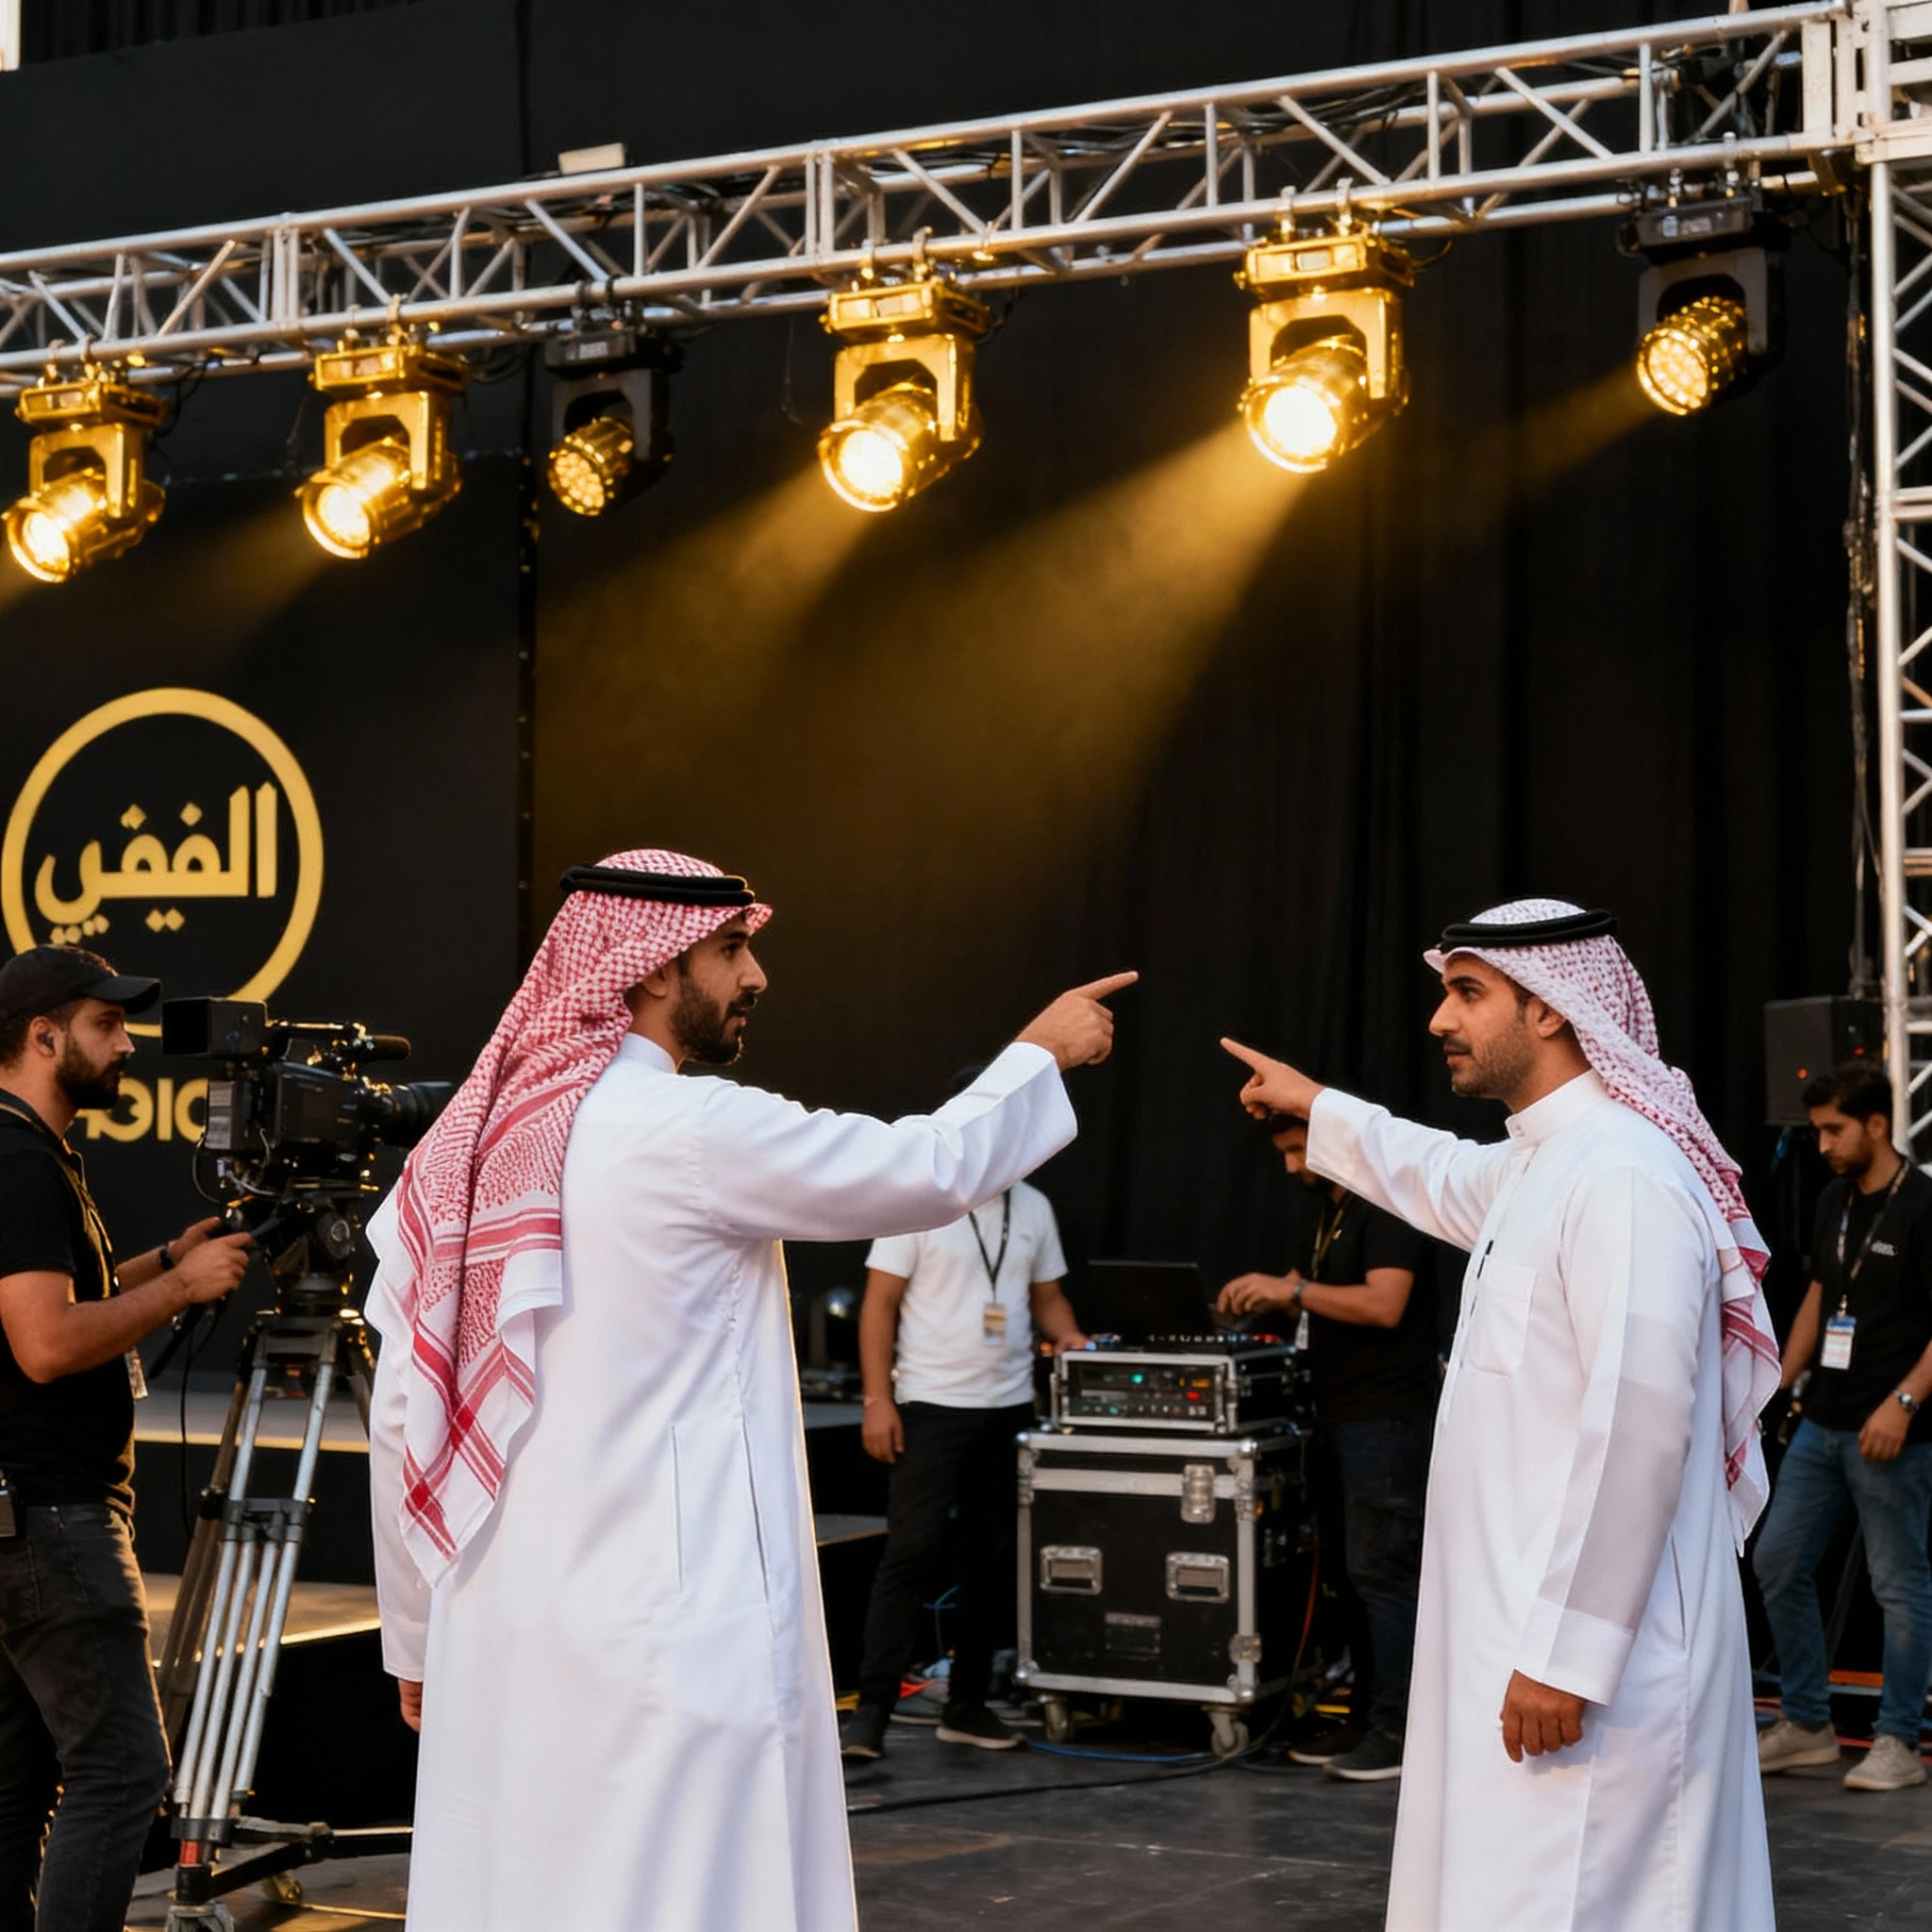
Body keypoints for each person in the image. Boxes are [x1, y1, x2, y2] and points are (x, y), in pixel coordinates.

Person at [364, 850, 1133, 1932]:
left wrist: (414, 1634)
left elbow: (406, 1408)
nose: (756, 975)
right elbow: (923, 1170)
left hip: (498, 1619)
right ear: (646, 967)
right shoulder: (683, 1128)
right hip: (667, 1627)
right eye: (730, 948)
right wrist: (1037, 1054)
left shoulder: (468, 1151)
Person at [1222, 898, 1782, 1932]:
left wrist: (1570, 1654)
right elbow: (1432, 1170)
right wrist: (1319, 1105)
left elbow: (1639, 1427)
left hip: (1592, 1667)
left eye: (1467, 992)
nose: (1439, 1018)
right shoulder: (1541, 1162)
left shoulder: (1622, 1173)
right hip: (1515, 1634)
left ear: (1552, 1008)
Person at [0, 945, 252, 1932]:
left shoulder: (28, 1149)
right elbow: (46, 1343)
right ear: (43, 1035)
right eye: (105, 1024)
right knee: (121, 1769)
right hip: (53, 1522)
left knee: (20, 1783)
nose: (128, 1042)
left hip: (23, 1515)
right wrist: (182, 1288)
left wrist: (165, 1259)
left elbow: (50, 1302)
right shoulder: (21, 1161)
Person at [840, 1094, 1085, 1763]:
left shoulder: (1032, 1206)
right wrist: (876, 1400)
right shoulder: (920, 1201)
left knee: (991, 1559)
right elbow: (879, 1305)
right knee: (911, 1553)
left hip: (1007, 1407)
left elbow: (1048, 1298)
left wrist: (1072, 1340)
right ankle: (872, 1711)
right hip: (930, 1406)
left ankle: (968, 1704)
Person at [1217, 1113, 1433, 1783]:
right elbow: (1312, 1293)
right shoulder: (1328, 1214)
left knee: (1384, 1576)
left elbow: (1384, 1304)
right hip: (1341, 1418)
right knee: (1350, 1576)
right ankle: (1364, 1717)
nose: (1289, 1166)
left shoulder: (1388, 1205)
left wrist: (1292, 1290)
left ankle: (1398, 1730)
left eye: (1297, 1150)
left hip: (1386, 1421)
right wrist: (1264, 1293)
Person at [1753, 1060, 1932, 1792]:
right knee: (1777, 1560)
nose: (1823, 1144)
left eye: (1835, 1130)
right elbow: (1821, 1296)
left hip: (1891, 1432)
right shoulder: (1833, 1198)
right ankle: (1807, 1724)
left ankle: (1899, 1741)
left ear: (1878, 1124)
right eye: (1818, 1130)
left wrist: (1904, 1403)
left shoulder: (1922, 1205)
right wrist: (1776, 1381)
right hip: (1822, 1421)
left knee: (1899, 1586)